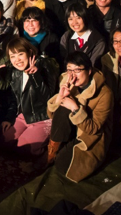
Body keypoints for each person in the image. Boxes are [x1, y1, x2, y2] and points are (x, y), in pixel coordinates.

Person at [45, 51, 113, 181]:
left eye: (77, 70)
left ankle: (60, 152)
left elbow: (94, 129)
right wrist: (60, 97)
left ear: (89, 71)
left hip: (89, 137)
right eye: (69, 70)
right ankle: (52, 151)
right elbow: (52, 116)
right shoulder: (66, 80)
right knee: (63, 108)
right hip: (70, 130)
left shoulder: (105, 93)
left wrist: (75, 109)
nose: (72, 75)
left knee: (62, 166)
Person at [0, 36, 57, 158]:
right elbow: (14, 99)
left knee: (24, 149)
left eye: (20, 54)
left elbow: (48, 99)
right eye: (12, 56)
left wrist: (35, 76)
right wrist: (9, 118)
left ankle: (48, 148)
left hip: (43, 117)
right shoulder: (15, 72)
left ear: (29, 52)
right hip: (24, 116)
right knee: (4, 142)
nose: (17, 60)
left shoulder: (44, 66)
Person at [59, 1, 106, 68]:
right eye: (70, 19)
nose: (74, 22)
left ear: (85, 18)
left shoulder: (98, 40)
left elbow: (93, 65)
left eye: (78, 18)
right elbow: (64, 61)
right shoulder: (66, 37)